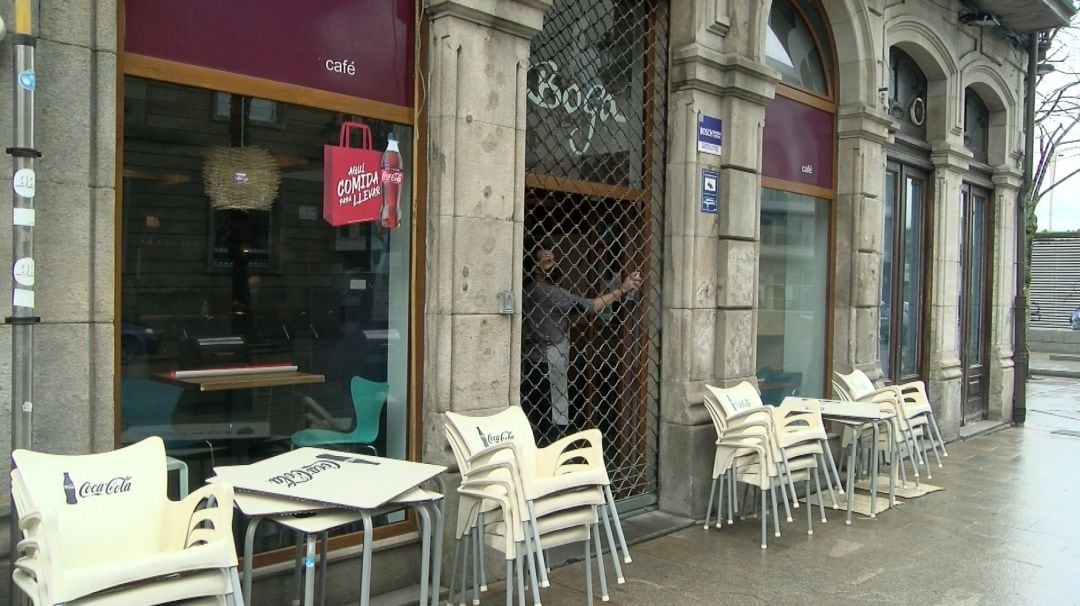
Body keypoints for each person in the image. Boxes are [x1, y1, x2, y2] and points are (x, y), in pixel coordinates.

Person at [522, 246, 642, 443]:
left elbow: (559, 319)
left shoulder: (529, 291)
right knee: (554, 422)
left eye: (554, 259)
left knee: (537, 420)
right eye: (547, 261)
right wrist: (624, 288)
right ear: (536, 268)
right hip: (548, 366)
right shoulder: (549, 292)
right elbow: (590, 306)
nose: (554, 264)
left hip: (532, 363)